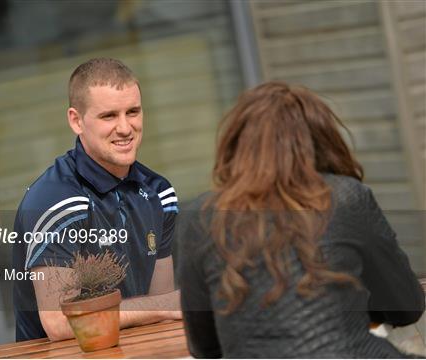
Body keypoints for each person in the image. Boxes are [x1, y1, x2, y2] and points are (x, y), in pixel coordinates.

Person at [177, 82, 425, 358]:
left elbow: (204, 347)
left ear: (237, 148)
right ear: (322, 143)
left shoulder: (202, 218)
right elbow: (407, 306)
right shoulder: (346, 197)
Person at [13, 58, 181, 341]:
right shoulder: (55, 201)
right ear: (76, 120)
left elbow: (163, 311)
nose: (126, 127)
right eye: (109, 116)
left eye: (133, 112)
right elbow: (60, 323)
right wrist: (161, 306)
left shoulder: (160, 193)